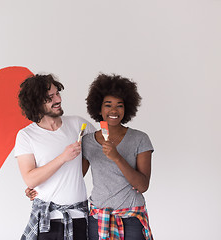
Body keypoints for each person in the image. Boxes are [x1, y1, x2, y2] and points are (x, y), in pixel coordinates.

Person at [14, 74, 96, 240]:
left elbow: (98, 156)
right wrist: (63, 158)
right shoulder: (26, 136)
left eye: (57, 93)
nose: (57, 99)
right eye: (50, 97)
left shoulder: (79, 125)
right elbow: (30, 179)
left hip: (79, 216)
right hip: (48, 220)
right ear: (36, 103)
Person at [83, 73, 154, 240]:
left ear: (127, 108)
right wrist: (40, 188)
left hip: (131, 219)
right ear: (99, 108)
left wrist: (117, 157)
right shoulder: (87, 141)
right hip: (98, 218)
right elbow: (75, 177)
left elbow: (142, 185)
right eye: (108, 105)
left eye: (119, 105)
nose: (114, 110)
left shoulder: (140, 139)